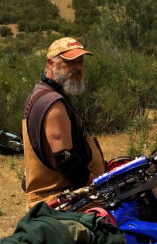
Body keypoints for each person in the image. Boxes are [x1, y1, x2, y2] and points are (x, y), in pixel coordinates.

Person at [21, 37, 106, 207]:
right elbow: (66, 159)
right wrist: (98, 187)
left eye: (80, 62)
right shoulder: (53, 103)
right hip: (64, 202)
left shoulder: (42, 94)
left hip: (64, 198)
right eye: (70, 62)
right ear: (50, 63)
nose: (78, 68)